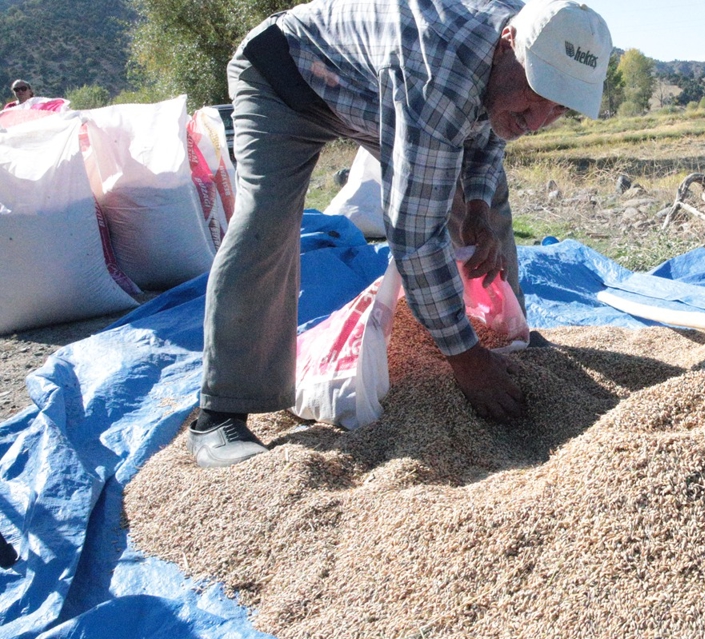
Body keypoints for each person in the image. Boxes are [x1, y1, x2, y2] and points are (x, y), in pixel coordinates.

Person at [187, 0, 612, 468]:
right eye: (536, 92)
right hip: (287, 77)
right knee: (265, 221)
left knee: (487, 204)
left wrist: (476, 209)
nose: (539, 119)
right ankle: (221, 411)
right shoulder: (439, 69)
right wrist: (465, 360)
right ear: (507, 44)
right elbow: (415, 234)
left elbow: (495, 131)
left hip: (370, 93)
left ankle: (508, 335)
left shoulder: (512, 63)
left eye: (559, 106)